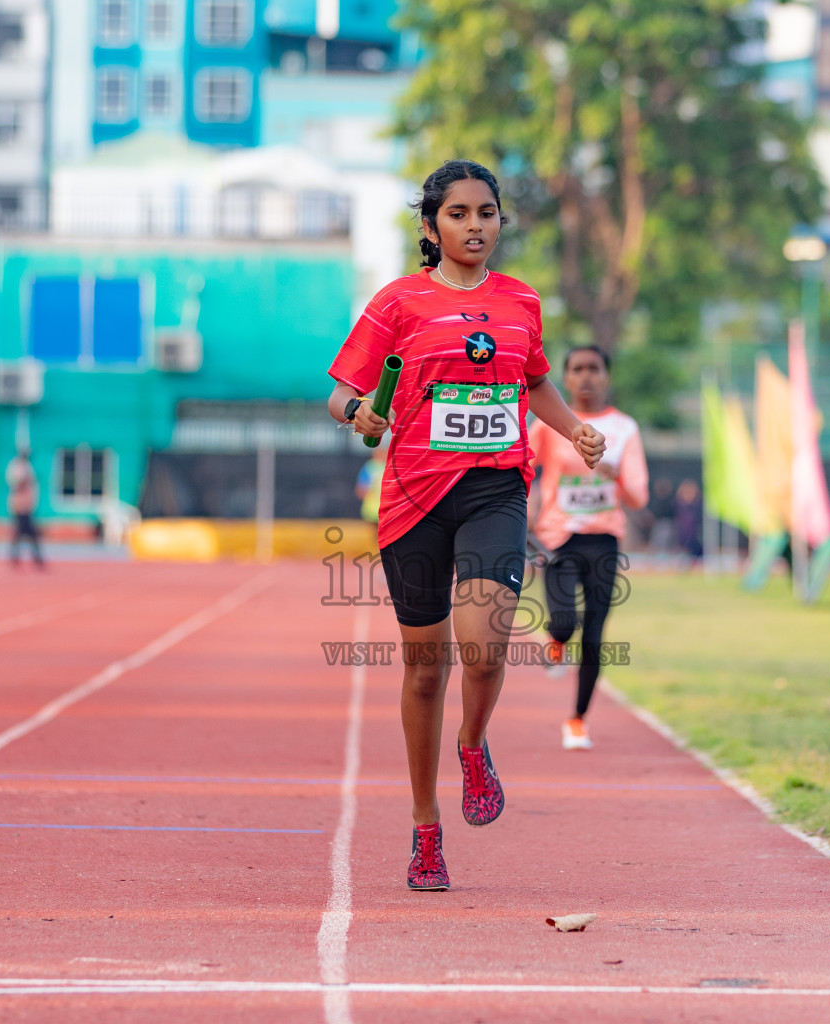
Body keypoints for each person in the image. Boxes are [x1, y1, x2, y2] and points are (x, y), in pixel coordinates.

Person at [326, 159, 605, 892]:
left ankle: (473, 745)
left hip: (493, 490)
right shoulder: (399, 303)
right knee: (424, 670)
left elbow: (534, 378)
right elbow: (341, 394)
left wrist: (574, 431)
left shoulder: (522, 301)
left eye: (487, 213)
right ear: (430, 226)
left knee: (483, 651)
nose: (475, 225)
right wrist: (361, 412)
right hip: (414, 499)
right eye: (458, 214)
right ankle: (425, 829)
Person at [529, 345, 648, 751]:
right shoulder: (550, 423)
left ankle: (577, 719)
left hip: (603, 541)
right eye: (577, 369)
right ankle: (557, 639)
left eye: (594, 369)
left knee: (595, 638)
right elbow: (522, 464)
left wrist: (613, 474)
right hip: (558, 537)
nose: (586, 377)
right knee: (564, 621)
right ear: (564, 377)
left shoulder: (624, 429)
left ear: (606, 376)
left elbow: (639, 497)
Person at [7, 447, 45, 569]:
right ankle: (33, 558)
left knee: (24, 534)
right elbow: (16, 482)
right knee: (26, 533)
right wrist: (24, 478)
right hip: (20, 507)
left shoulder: (28, 466)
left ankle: (21, 557)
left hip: (28, 506)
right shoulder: (16, 466)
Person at [356, 444, 387, 524]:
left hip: (371, 511)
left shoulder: (369, 467)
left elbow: (360, 491)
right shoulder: (388, 467)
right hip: (384, 511)